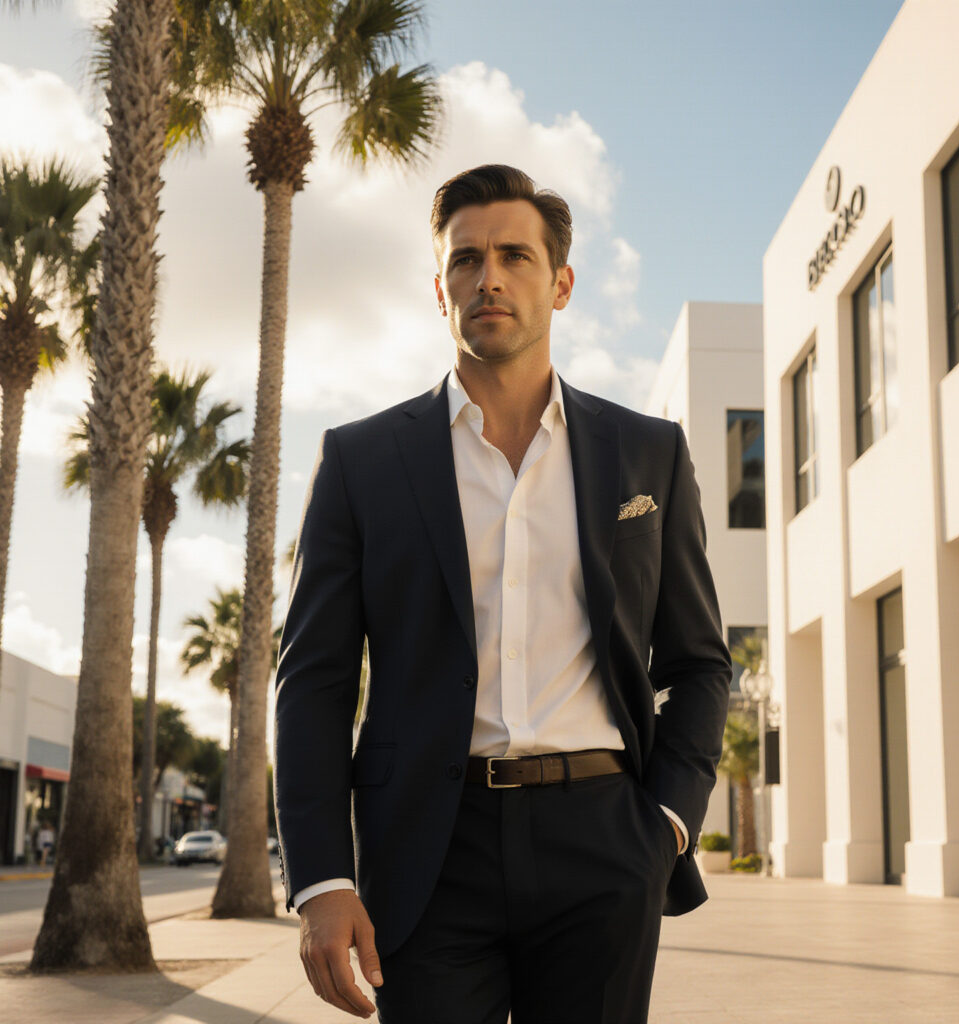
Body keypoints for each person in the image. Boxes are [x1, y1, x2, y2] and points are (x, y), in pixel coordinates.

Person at [274, 164, 732, 1024]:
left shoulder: (648, 455)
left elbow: (700, 662)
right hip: (427, 853)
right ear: (438, 288)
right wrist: (324, 880)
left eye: (516, 255)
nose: (490, 276)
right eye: (466, 258)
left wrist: (665, 821)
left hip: (605, 840)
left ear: (560, 284)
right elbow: (314, 682)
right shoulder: (361, 462)